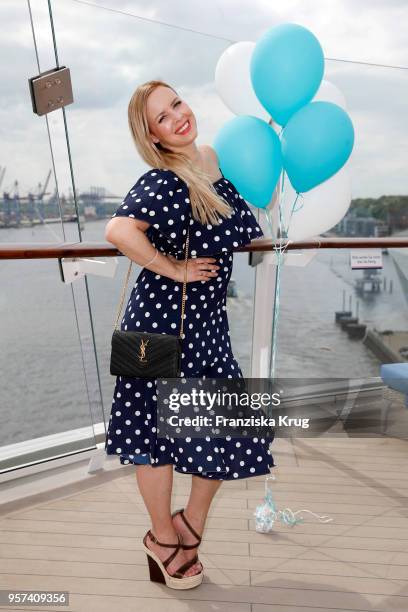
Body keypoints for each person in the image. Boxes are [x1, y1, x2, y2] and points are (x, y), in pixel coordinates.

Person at [104, 80, 276, 590]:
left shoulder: (212, 160)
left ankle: (190, 526)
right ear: (153, 137)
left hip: (205, 329)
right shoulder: (162, 179)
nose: (178, 116)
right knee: (151, 440)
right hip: (154, 330)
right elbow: (118, 231)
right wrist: (173, 268)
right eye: (162, 117)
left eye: (176, 102)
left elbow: (244, 227)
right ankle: (162, 538)